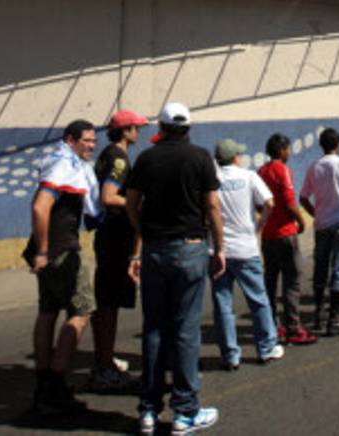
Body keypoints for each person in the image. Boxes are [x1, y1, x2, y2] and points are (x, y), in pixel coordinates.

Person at [125, 102, 223, 435]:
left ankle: (149, 411)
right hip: (190, 248)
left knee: (154, 330)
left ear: (161, 128)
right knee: (185, 331)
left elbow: (130, 202)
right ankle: (185, 412)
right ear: (189, 128)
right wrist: (219, 247)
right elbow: (212, 206)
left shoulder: (145, 159)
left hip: (155, 250)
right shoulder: (200, 158)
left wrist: (143, 233)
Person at [27, 119, 98, 414]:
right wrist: (44, 251)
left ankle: (44, 381)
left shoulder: (57, 159)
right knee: (82, 312)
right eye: (87, 141)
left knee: (48, 311)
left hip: (51, 249)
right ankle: (55, 384)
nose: (92, 146)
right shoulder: (64, 166)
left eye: (94, 141)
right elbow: (40, 206)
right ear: (71, 139)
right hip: (61, 250)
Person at [88, 109, 148, 391]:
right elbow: (108, 197)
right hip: (115, 238)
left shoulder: (108, 155)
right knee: (109, 304)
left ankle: (106, 359)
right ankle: (103, 366)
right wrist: (135, 205)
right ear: (125, 131)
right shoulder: (119, 159)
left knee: (108, 301)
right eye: (135, 127)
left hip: (111, 236)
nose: (139, 131)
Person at [211, 138, 283, 369]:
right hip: (245, 248)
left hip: (217, 249)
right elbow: (270, 203)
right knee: (258, 300)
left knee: (223, 304)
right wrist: (259, 227)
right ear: (235, 158)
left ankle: (230, 355)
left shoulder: (211, 180)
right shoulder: (249, 176)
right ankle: (266, 348)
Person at [299, 127, 339, 335]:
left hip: (322, 225)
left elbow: (303, 198)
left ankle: (319, 313)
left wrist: (315, 213)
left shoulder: (313, 166)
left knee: (321, 267)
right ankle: (335, 316)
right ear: (338, 145)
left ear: (321, 145)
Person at [257, 133, 315, 345]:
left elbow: (258, 202)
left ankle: (273, 325)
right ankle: (293, 327)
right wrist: (301, 221)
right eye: (287, 149)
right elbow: (291, 202)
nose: (289, 152)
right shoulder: (282, 170)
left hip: (268, 235)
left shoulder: (261, 171)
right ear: (281, 151)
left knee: (270, 281)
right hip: (285, 234)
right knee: (292, 281)